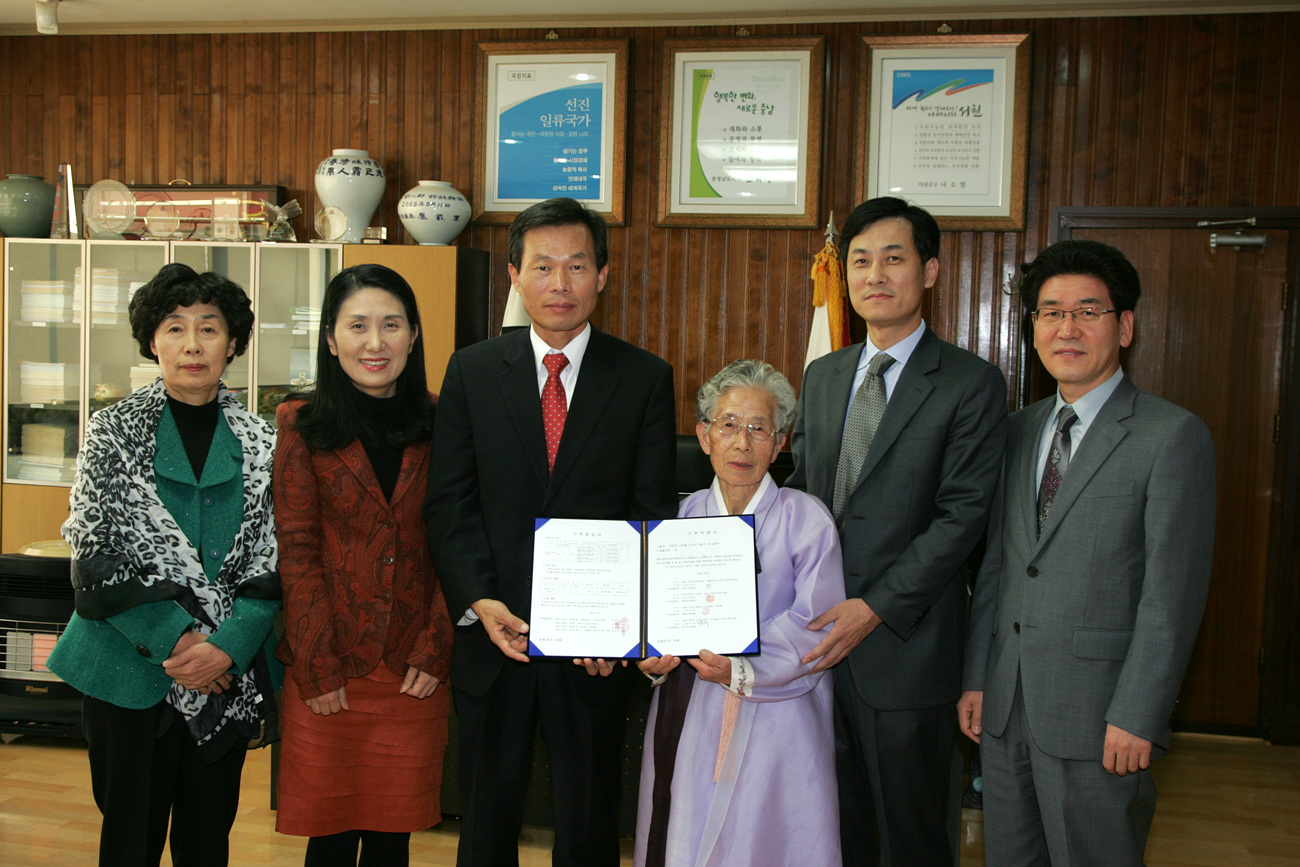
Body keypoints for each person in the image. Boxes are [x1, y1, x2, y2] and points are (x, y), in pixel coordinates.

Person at [424, 197, 678, 867]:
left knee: (589, 823)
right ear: (514, 274)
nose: (560, 284)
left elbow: (650, 515)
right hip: (495, 640)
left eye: (576, 265)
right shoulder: (472, 372)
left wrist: (620, 627)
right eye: (542, 266)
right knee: (485, 822)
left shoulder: (644, 379)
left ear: (602, 274)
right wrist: (480, 601)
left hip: (595, 652)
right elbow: (450, 504)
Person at [959, 239, 1217, 866]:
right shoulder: (1018, 430)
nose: (1066, 328)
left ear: (1124, 326)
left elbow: (1171, 596)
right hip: (1007, 704)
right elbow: (997, 567)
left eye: (1088, 311)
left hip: (1101, 715)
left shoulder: (1171, 435)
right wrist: (977, 679)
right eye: (1050, 312)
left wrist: (1140, 713)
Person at [785, 196, 1008, 866]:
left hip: (905, 650)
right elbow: (805, 494)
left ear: (930, 271)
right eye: (860, 260)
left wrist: (875, 606)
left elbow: (962, 515)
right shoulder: (824, 375)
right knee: (835, 822)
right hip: (816, 640)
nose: (875, 274)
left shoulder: (970, 383)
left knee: (910, 836)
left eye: (894, 258)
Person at [46, 263, 281, 867]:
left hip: (225, 670)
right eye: (175, 328)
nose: (193, 344)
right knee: (129, 837)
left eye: (210, 327)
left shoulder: (264, 442)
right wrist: (182, 645)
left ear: (233, 344)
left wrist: (225, 647)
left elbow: (275, 562)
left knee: (208, 838)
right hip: (126, 670)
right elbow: (98, 557)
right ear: (153, 341)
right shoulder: (112, 432)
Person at [273, 264, 453, 866]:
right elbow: (296, 550)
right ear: (330, 339)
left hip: (411, 667)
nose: (374, 343)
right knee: (326, 839)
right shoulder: (300, 425)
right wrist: (317, 661)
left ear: (414, 335)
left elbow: (456, 541)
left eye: (391, 325)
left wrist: (436, 645)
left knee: (389, 840)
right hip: (329, 666)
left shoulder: (445, 420)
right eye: (357, 326)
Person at [634, 359, 845, 867]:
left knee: (767, 837)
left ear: (780, 443)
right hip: (691, 703)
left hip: (780, 712)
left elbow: (815, 620)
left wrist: (744, 668)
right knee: (684, 829)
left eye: (759, 428)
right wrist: (651, 652)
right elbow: (656, 610)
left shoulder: (806, 518)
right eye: (728, 425)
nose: (742, 443)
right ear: (704, 436)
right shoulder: (680, 518)